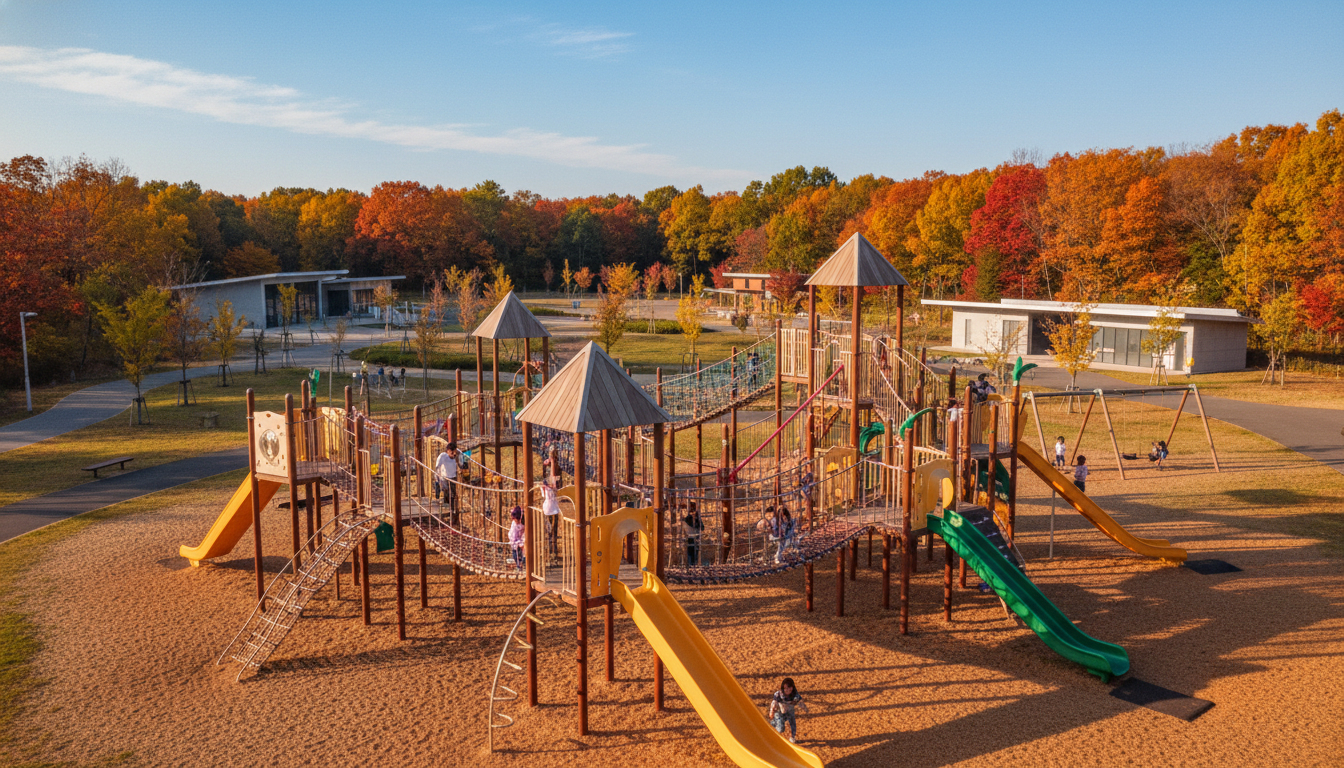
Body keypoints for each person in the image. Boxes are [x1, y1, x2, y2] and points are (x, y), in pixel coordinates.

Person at [768, 677, 809, 744]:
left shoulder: (795, 696)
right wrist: (772, 712)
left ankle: (792, 737)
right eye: (785, 688)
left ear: (792, 688)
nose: (787, 690)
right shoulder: (778, 694)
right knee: (780, 728)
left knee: (792, 722)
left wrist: (804, 708)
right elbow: (774, 704)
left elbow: (800, 702)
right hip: (779, 711)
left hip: (789, 711)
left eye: (789, 688)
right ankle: (772, 726)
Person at [539, 478, 562, 564]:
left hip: (551, 509)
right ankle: (551, 552)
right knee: (551, 531)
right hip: (551, 509)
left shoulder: (549, 489)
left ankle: (552, 551)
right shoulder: (549, 489)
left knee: (551, 531)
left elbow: (544, 495)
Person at [434, 442, 462, 509]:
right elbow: (437, 467)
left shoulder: (457, 455)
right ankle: (447, 505)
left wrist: (458, 458)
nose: (453, 454)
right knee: (446, 491)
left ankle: (452, 508)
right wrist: (437, 477)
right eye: (451, 452)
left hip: (453, 477)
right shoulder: (443, 456)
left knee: (453, 493)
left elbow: (461, 464)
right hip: (444, 477)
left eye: (454, 452)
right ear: (448, 451)